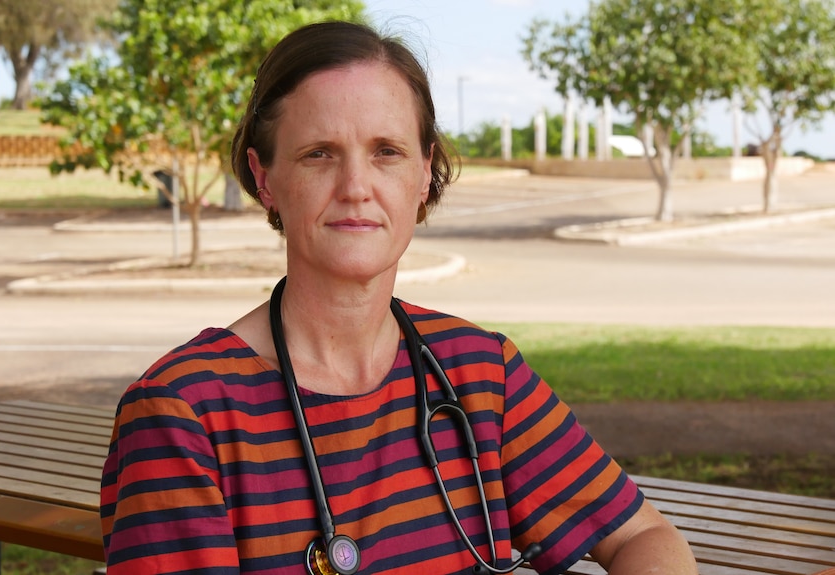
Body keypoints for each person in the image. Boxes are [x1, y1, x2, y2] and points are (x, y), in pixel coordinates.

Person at [100, 20, 698, 575]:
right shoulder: (183, 412)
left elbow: (645, 537)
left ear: (422, 175)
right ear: (265, 179)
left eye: (386, 152)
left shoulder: (480, 372)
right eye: (319, 154)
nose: (356, 187)